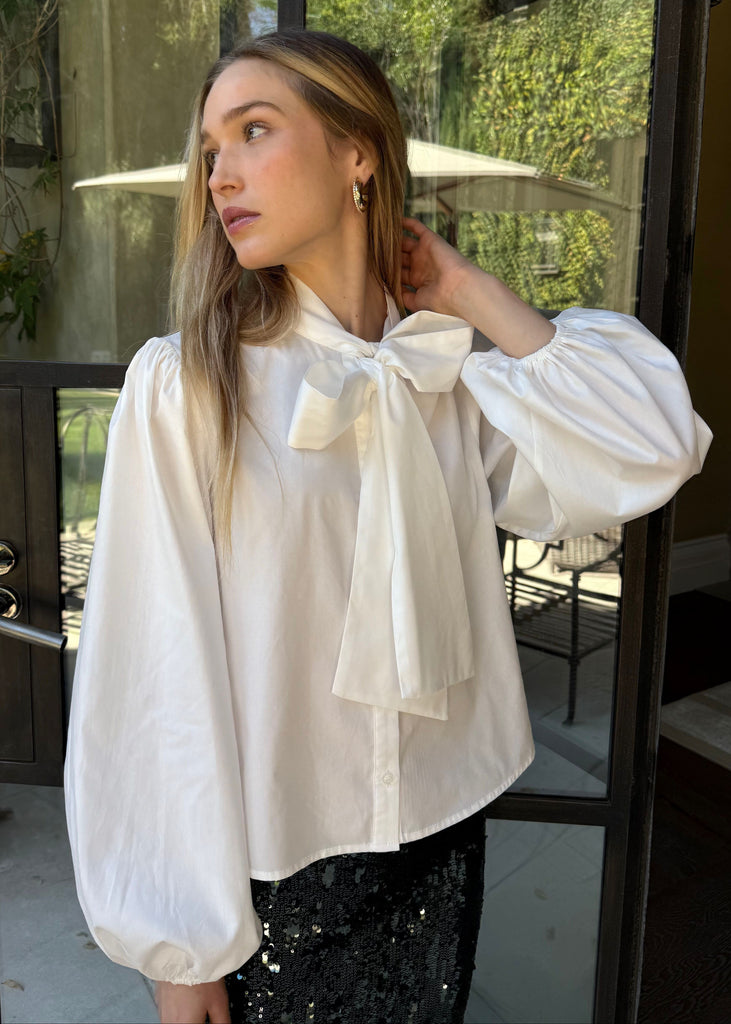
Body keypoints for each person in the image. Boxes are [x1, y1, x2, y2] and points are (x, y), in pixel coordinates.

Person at [63, 28, 711, 1024]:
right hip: (280, 880)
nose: (220, 173)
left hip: (442, 834)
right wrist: (179, 947)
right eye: (211, 149)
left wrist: (468, 291)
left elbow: (651, 446)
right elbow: (150, 675)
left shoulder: (448, 370)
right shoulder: (188, 384)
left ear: (356, 152)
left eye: (253, 131)